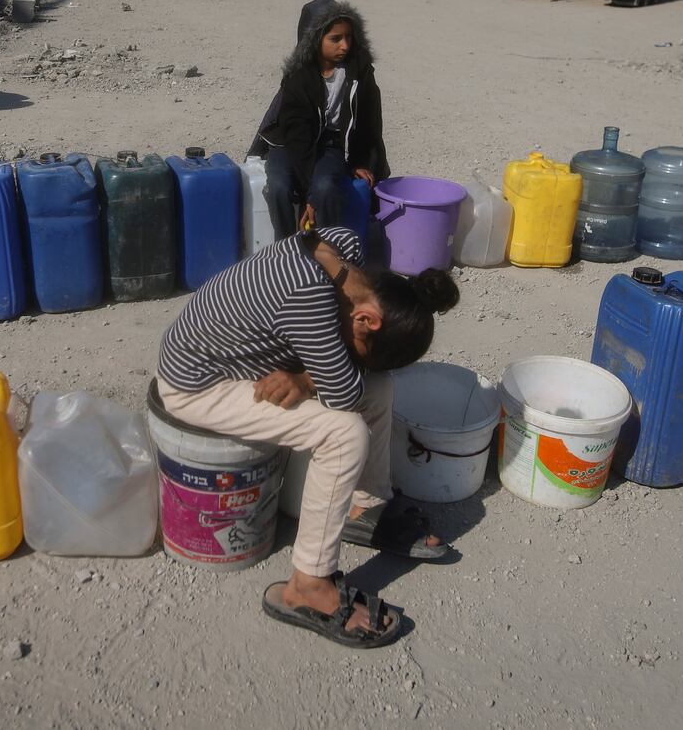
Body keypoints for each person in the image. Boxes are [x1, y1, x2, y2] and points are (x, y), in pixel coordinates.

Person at [157, 224, 458, 647]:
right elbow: (345, 392)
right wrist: (315, 378)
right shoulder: (309, 300)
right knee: (344, 432)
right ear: (366, 318)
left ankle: (365, 508)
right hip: (198, 385)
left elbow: (316, 233)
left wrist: (305, 377)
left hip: (232, 359)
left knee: (381, 387)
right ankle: (308, 585)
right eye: (360, 350)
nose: (355, 358)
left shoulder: (344, 250)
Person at [248, 0, 389, 240]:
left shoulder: (359, 71)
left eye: (349, 37)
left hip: (330, 143)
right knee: (279, 188)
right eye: (335, 39)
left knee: (326, 188)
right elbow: (298, 137)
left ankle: (329, 252)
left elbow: (368, 122)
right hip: (289, 144)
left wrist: (359, 161)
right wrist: (309, 197)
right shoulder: (298, 76)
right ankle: (286, 249)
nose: (344, 45)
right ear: (314, 40)